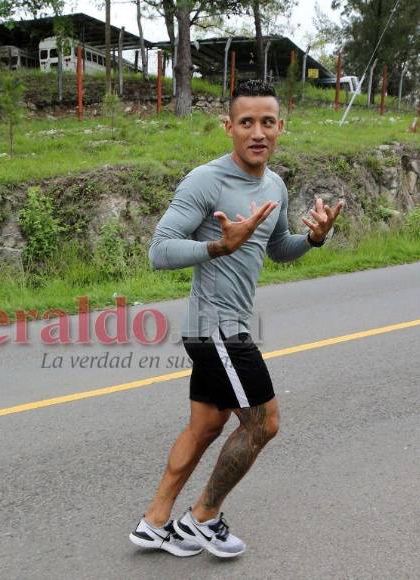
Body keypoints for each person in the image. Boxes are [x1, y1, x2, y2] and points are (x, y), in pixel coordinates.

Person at [129, 80, 343, 559]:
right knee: (264, 422)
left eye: (267, 121)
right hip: (215, 328)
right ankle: (203, 516)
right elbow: (158, 251)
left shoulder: (274, 184)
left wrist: (313, 240)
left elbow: (278, 249)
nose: (257, 132)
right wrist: (216, 245)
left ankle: (155, 521)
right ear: (229, 127)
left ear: (280, 127)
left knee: (206, 427)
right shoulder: (206, 180)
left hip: (221, 329)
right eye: (246, 122)